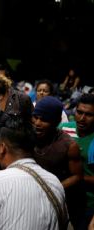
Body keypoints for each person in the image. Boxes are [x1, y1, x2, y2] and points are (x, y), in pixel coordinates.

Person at [32, 96, 84, 228]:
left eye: (44, 120)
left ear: (56, 121)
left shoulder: (69, 145)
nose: (37, 123)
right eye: (35, 117)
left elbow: (77, 176)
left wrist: (52, 188)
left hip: (55, 202)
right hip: (28, 196)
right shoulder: (27, 135)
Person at [59, 93, 94, 229]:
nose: (82, 118)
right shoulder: (64, 129)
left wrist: (77, 178)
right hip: (61, 198)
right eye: (79, 112)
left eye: (89, 115)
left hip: (88, 203)